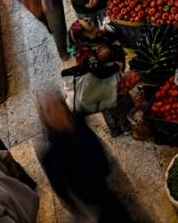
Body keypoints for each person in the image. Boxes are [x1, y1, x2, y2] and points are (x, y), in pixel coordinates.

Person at [36, 92, 129, 223]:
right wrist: (75, 208)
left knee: (107, 195)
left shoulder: (78, 119)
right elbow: (60, 188)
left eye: (59, 106)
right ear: (45, 119)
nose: (57, 112)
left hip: (99, 172)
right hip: (87, 192)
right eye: (50, 111)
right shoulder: (49, 155)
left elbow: (94, 142)